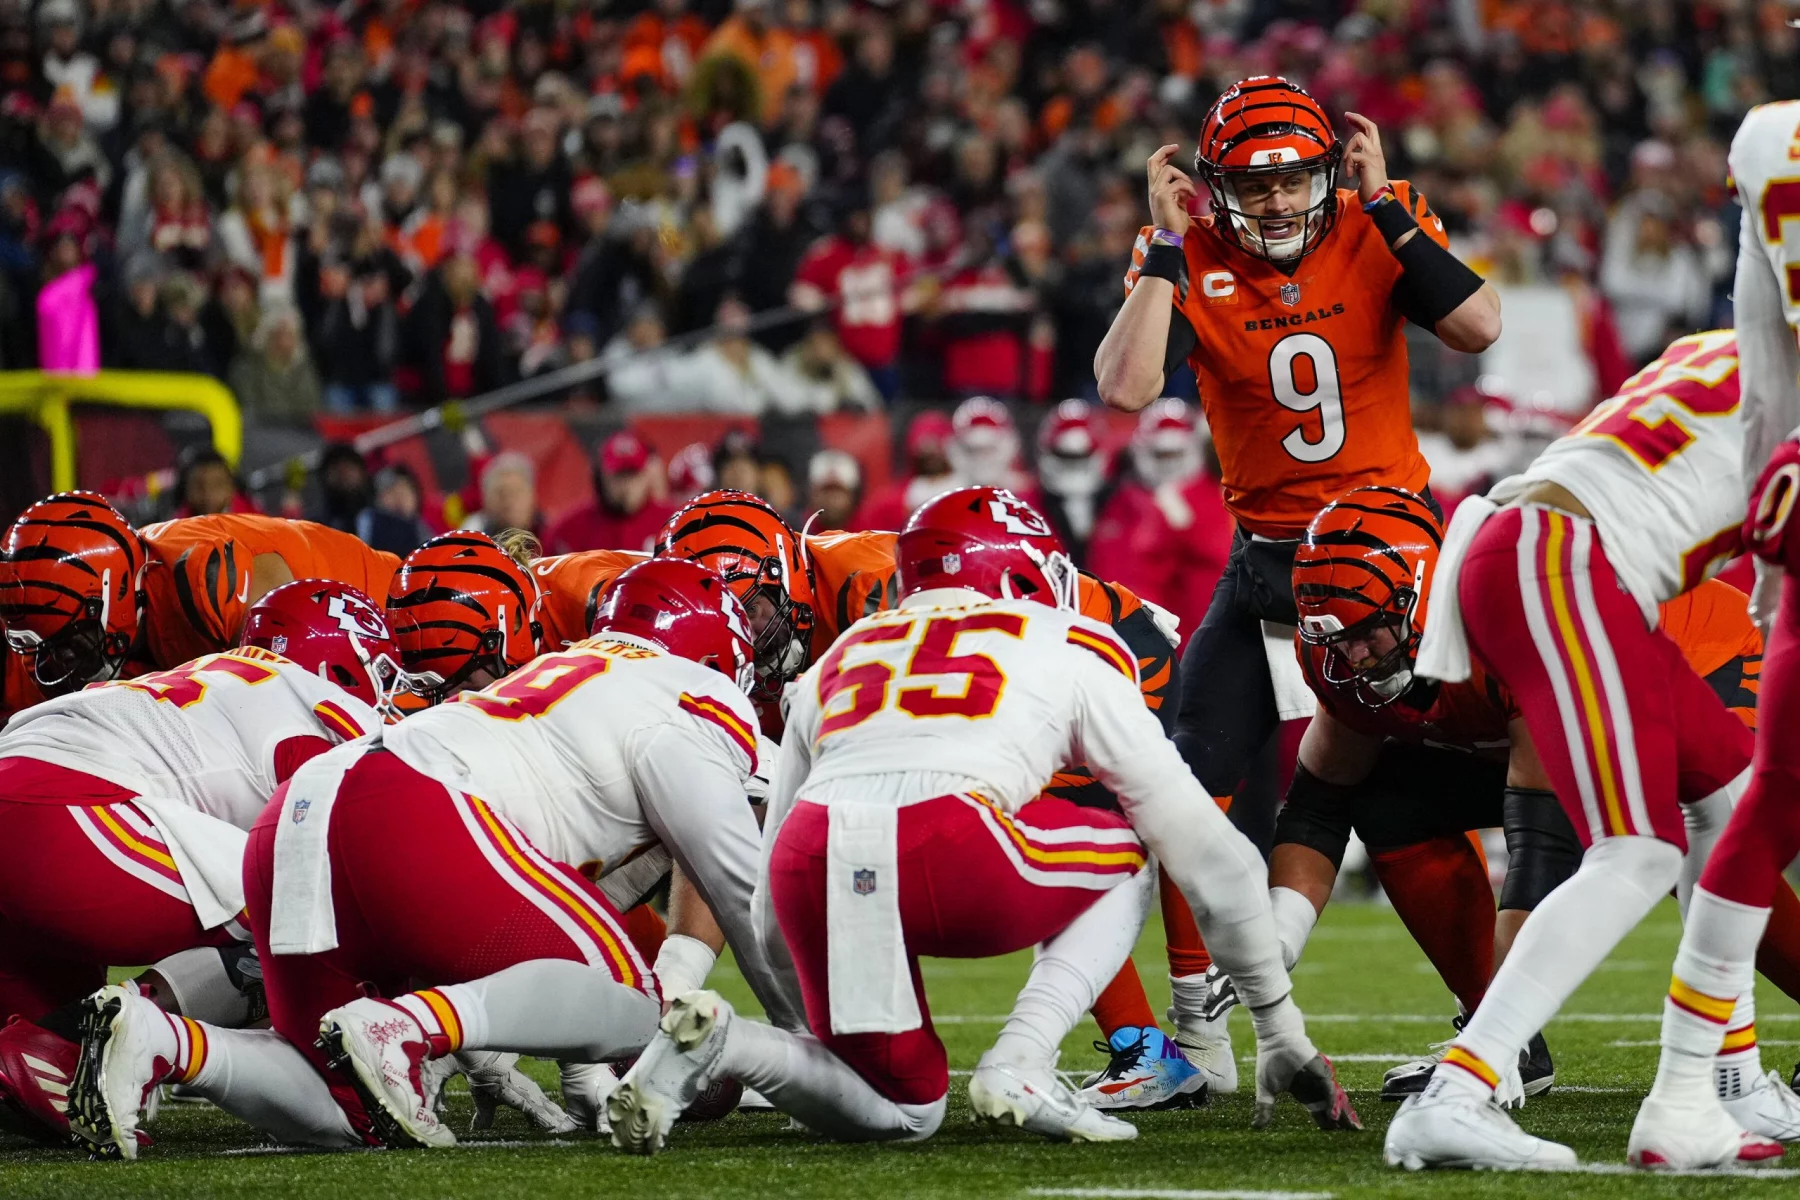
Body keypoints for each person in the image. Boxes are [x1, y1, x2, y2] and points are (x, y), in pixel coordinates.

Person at [608, 487, 1355, 1153]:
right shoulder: (1072, 639)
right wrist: (1278, 1026)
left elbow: (768, 899)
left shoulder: (838, 660)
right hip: (954, 847)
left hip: (815, 862)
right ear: (1026, 574)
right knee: (1139, 828)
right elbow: (1213, 855)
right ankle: (1024, 1059)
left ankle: (728, 1044)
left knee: (905, 1110)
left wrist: (812, 1005)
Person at [70, 560, 802, 1155]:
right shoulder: (695, 692)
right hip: (415, 813)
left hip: (299, 812)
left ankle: (164, 1038)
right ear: (716, 653)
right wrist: (810, 1040)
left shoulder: (567, 675)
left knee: (342, 1104)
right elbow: (740, 884)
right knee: (641, 1005)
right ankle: (414, 1025)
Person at [1090, 77, 1501, 1062]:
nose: (1274, 203)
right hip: (1271, 562)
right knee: (1181, 784)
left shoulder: (1377, 224)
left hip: (1391, 563)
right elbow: (1126, 388)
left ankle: (1498, 1027)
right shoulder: (1190, 259)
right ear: (1213, 185)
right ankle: (1195, 1030)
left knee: (1403, 799)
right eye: (1250, 184)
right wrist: (1165, 250)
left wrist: (1392, 207)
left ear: (1328, 170)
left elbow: (1478, 329)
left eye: (1292, 180)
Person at [1388, 331, 1789, 1170]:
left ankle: (1728, 1080)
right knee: (1639, 848)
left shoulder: (1727, 343)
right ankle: (1459, 1090)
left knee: (1725, 792)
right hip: (1564, 560)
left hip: (1542, 550)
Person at [0, 582, 392, 1144]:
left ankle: (55, 1043)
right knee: (315, 906)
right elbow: (359, 883)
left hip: (31, 792)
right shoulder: (317, 703)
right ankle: (96, 1035)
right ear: (351, 665)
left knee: (54, 1049)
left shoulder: (208, 679)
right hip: (67, 823)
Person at [1628, 100, 1800, 1171]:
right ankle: (1709, 1078)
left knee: (1757, 801)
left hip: (1788, 494)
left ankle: (1697, 1085)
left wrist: (1772, 554)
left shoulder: (1768, 139)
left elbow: (1765, 377)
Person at [0, 495, 402, 711]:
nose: (52, 664)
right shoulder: (56, 631)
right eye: (42, 646)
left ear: (117, 596)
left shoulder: (205, 581)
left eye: (70, 642)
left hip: (395, 623)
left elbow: (300, 698)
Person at [543, 431, 676, 556]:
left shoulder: (673, 523)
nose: (626, 484)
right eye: (619, 475)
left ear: (647, 475)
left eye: (632, 474)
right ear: (601, 475)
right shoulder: (568, 530)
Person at [1024, 399, 1112, 567]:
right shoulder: (1026, 504)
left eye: (1080, 457)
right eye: (1066, 457)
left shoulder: (1121, 503)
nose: (1073, 466)